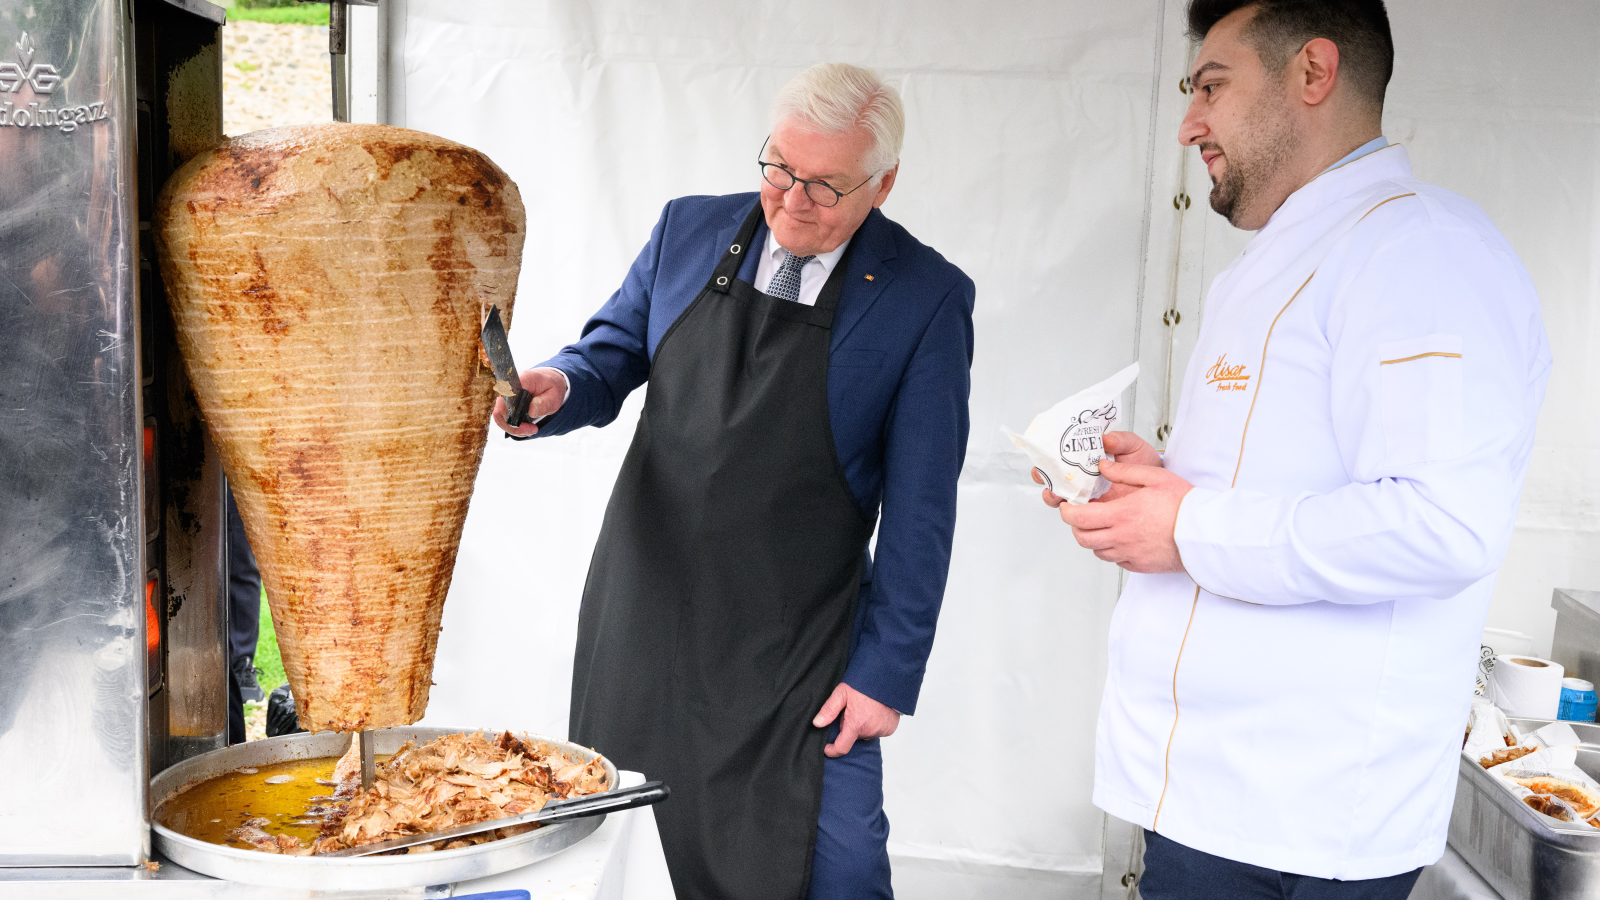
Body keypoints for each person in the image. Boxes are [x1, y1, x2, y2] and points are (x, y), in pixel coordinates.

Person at [1036, 1, 1551, 896]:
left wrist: (1190, 526)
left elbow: (1442, 525)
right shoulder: (1286, 257)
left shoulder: (1419, 250)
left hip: (1299, 825)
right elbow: (1276, 483)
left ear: (1313, 72)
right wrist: (1157, 493)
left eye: (1212, 86)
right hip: (1217, 798)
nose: (1189, 123)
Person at [497, 64, 974, 900]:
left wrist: (886, 675)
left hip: (799, 643)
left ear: (884, 183)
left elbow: (922, 511)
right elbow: (610, 353)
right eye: (779, 168)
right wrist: (560, 386)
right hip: (647, 619)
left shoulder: (926, 298)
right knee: (624, 853)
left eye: (825, 186)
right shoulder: (688, 228)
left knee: (842, 869)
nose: (793, 200)